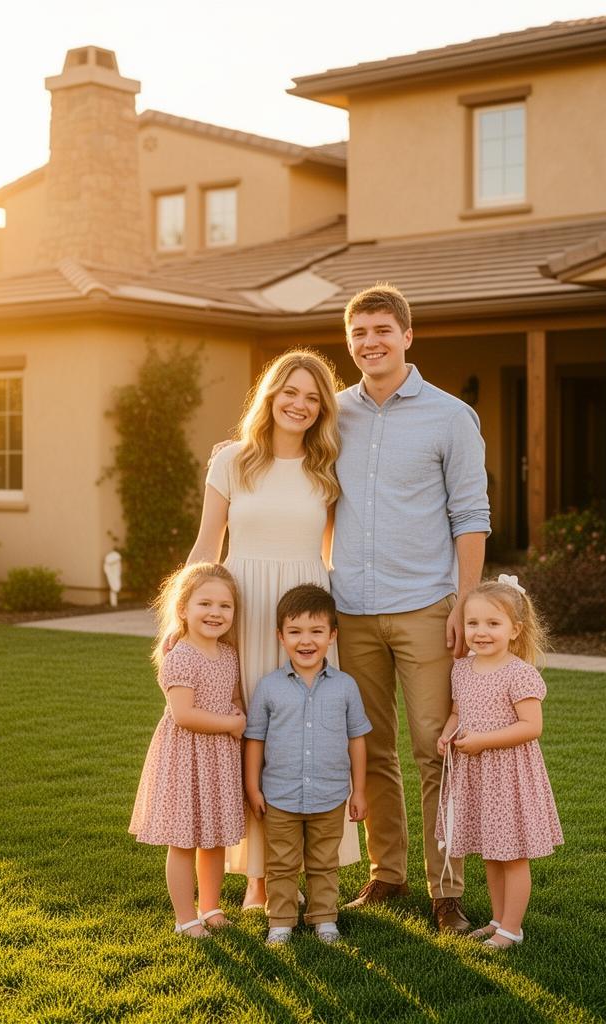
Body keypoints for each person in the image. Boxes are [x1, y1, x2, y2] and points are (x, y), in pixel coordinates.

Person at [334, 282, 490, 933]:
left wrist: (465, 601)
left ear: (406, 336)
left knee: (436, 748)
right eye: (359, 333)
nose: (371, 343)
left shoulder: (451, 416)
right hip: (349, 608)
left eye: (382, 330)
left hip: (427, 604)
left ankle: (446, 889)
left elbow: (471, 516)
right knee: (369, 747)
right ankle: (387, 873)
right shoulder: (332, 414)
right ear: (349, 342)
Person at [181, 349, 362, 910]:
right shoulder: (231, 461)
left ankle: (303, 871)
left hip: (304, 611)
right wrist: (181, 620)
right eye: (291, 392)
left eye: (313, 397)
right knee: (252, 735)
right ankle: (258, 879)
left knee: (303, 734)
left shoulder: (327, 469)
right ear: (271, 395)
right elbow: (207, 544)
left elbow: (331, 551)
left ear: (323, 408)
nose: (300, 405)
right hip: (244, 606)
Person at [435, 576, 563, 949]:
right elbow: (458, 712)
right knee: (492, 852)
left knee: (513, 855)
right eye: (473, 623)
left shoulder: (519, 673)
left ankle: (512, 929)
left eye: (493, 623)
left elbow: (531, 727)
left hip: (509, 777)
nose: (481, 632)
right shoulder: (461, 669)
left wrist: (482, 742)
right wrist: (447, 734)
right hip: (477, 775)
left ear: (515, 630)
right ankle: (498, 919)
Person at [244, 584, 371, 945]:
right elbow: (255, 739)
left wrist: (359, 790)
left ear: (332, 635)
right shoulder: (269, 687)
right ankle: (281, 921)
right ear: (280, 636)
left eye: (316, 631)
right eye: (295, 631)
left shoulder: (346, 687)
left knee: (323, 862)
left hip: (330, 795)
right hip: (279, 796)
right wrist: (252, 787)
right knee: (281, 863)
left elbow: (357, 739)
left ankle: (324, 919)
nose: (305, 640)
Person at [129, 562, 247, 939]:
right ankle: (185, 918)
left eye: (225, 606)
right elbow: (184, 715)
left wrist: (237, 715)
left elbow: (231, 697)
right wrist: (231, 724)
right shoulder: (181, 656)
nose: (215, 613)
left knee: (213, 837)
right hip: (185, 757)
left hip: (217, 759)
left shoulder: (228, 654)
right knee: (183, 840)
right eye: (205, 604)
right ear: (183, 608)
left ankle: (210, 907)